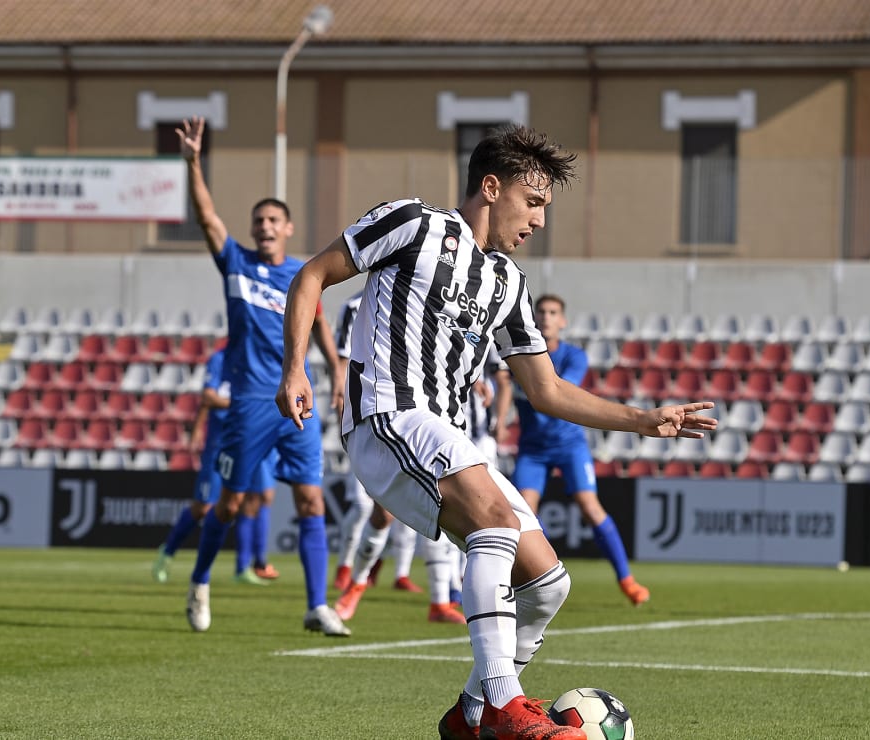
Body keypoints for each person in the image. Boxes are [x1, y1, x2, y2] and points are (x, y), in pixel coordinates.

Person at [278, 124, 716, 740]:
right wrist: (295, 367)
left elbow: (547, 389)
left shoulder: (508, 282)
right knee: (496, 520)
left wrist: (642, 419)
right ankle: (505, 706)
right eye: (533, 202)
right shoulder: (414, 224)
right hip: (388, 416)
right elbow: (312, 276)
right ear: (491, 187)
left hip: (447, 436)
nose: (539, 220)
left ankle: (471, 713)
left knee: (547, 584)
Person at [176, 116, 349, 637]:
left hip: (297, 400)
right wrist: (193, 163)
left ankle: (317, 605)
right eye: (259, 220)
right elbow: (207, 218)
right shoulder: (236, 263)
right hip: (250, 402)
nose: (265, 226)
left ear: (288, 228)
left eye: (274, 219)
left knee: (311, 499)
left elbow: (319, 324)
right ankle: (200, 581)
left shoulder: (303, 275)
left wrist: (336, 370)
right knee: (229, 504)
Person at [494, 294, 649, 606]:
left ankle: (626, 580)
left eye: (553, 313)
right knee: (524, 515)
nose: (546, 317)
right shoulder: (514, 355)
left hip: (569, 445)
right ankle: (538, 578)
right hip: (533, 448)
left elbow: (559, 392)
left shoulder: (574, 356)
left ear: (562, 321)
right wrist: (500, 418)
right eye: (541, 312)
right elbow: (503, 386)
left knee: (590, 508)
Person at [151, 346, 279, 587]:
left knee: (255, 499)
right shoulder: (220, 359)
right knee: (203, 507)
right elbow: (208, 397)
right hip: (220, 444)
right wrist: (241, 406)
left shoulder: (259, 359)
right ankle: (167, 552)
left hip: (251, 441)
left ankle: (244, 567)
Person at [331, 289, 423, 595]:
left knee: (407, 505)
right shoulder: (354, 306)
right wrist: (342, 412)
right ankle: (346, 566)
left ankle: (400, 572)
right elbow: (341, 362)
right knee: (362, 505)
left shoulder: (418, 299)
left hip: (407, 413)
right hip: (363, 415)